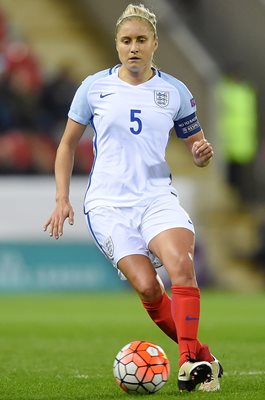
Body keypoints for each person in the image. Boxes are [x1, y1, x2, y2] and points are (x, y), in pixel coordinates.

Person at [43, 3, 223, 392]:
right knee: (147, 286)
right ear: (117, 45)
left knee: (181, 265)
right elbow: (67, 145)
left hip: (156, 197)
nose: (134, 47)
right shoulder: (94, 87)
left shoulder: (175, 91)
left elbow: (196, 145)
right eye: (126, 41)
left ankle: (189, 365)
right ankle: (203, 354)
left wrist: (199, 154)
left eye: (141, 40)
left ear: (155, 43)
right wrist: (62, 197)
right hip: (108, 204)